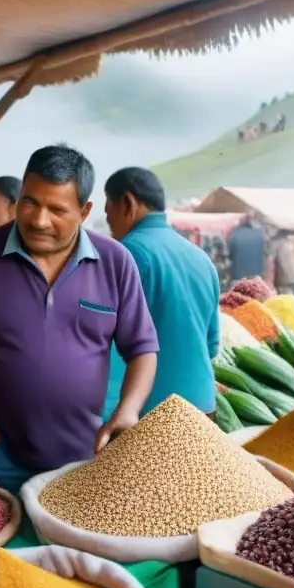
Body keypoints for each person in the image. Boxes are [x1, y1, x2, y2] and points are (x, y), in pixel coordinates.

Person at [0, 145, 159, 493]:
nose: (39, 220)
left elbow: (142, 349)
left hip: (82, 457)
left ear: (84, 211)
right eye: (30, 202)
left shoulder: (115, 262)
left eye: (57, 209)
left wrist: (128, 411)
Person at [102, 166, 219, 419]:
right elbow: (211, 346)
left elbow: (107, 350)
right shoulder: (202, 258)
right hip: (204, 410)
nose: (109, 224)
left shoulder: (125, 255)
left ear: (128, 203)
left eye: (109, 211)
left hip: (150, 418)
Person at [273, 229, 294, 299]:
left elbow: (278, 264)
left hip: (285, 279)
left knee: (288, 298)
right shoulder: (292, 245)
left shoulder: (278, 246)